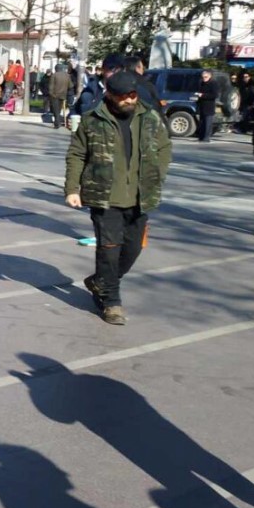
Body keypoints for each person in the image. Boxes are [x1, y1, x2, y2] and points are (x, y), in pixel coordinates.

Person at [65, 71, 172, 325]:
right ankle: (111, 302)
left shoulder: (149, 117)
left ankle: (101, 281)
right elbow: (77, 154)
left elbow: (164, 146)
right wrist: (72, 188)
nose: (130, 100)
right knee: (109, 251)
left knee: (133, 249)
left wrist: (159, 173)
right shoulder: (93, 119)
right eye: (124, 96)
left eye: (133, 95)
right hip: (105, 198)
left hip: (140, 196)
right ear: (110, 95)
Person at [195, 69, 219, 143]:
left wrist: (203, 95)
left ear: (209, 76)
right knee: (202, 122)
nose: (204, 78)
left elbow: (214, 95)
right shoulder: (201, 83)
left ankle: (206, 137)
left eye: (205, 77)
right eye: (203, 77)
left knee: (208, 123)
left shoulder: (213, 83)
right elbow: (199, 92)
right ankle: (201, 137)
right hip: (202, 105)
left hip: (209, 106)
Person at [47, 63, 71, 129]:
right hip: (63, 95)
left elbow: (51, 86)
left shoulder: (54, 75)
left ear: (56, 69)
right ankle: (57, 123)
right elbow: (70, 86)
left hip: (55, 95)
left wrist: (50, 94)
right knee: (59, 109)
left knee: (55, 110)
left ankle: (57, 123)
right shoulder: (67, 76)